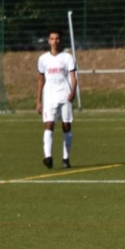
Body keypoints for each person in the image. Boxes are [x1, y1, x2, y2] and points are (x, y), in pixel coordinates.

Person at [36, 30, 76, 169]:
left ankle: (66, 158)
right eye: (52, 39)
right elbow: (41, 79)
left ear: (60, 40)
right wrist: (38, 101)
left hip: (65, 95)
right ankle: (48, 157)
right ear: (48, 41)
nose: (55, 41)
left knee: (66, 126)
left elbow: (73, 76)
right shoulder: (43, 59)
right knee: (49, 125)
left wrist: (73, 91)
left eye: (57, 38)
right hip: (49, 96)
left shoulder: (67, 57)